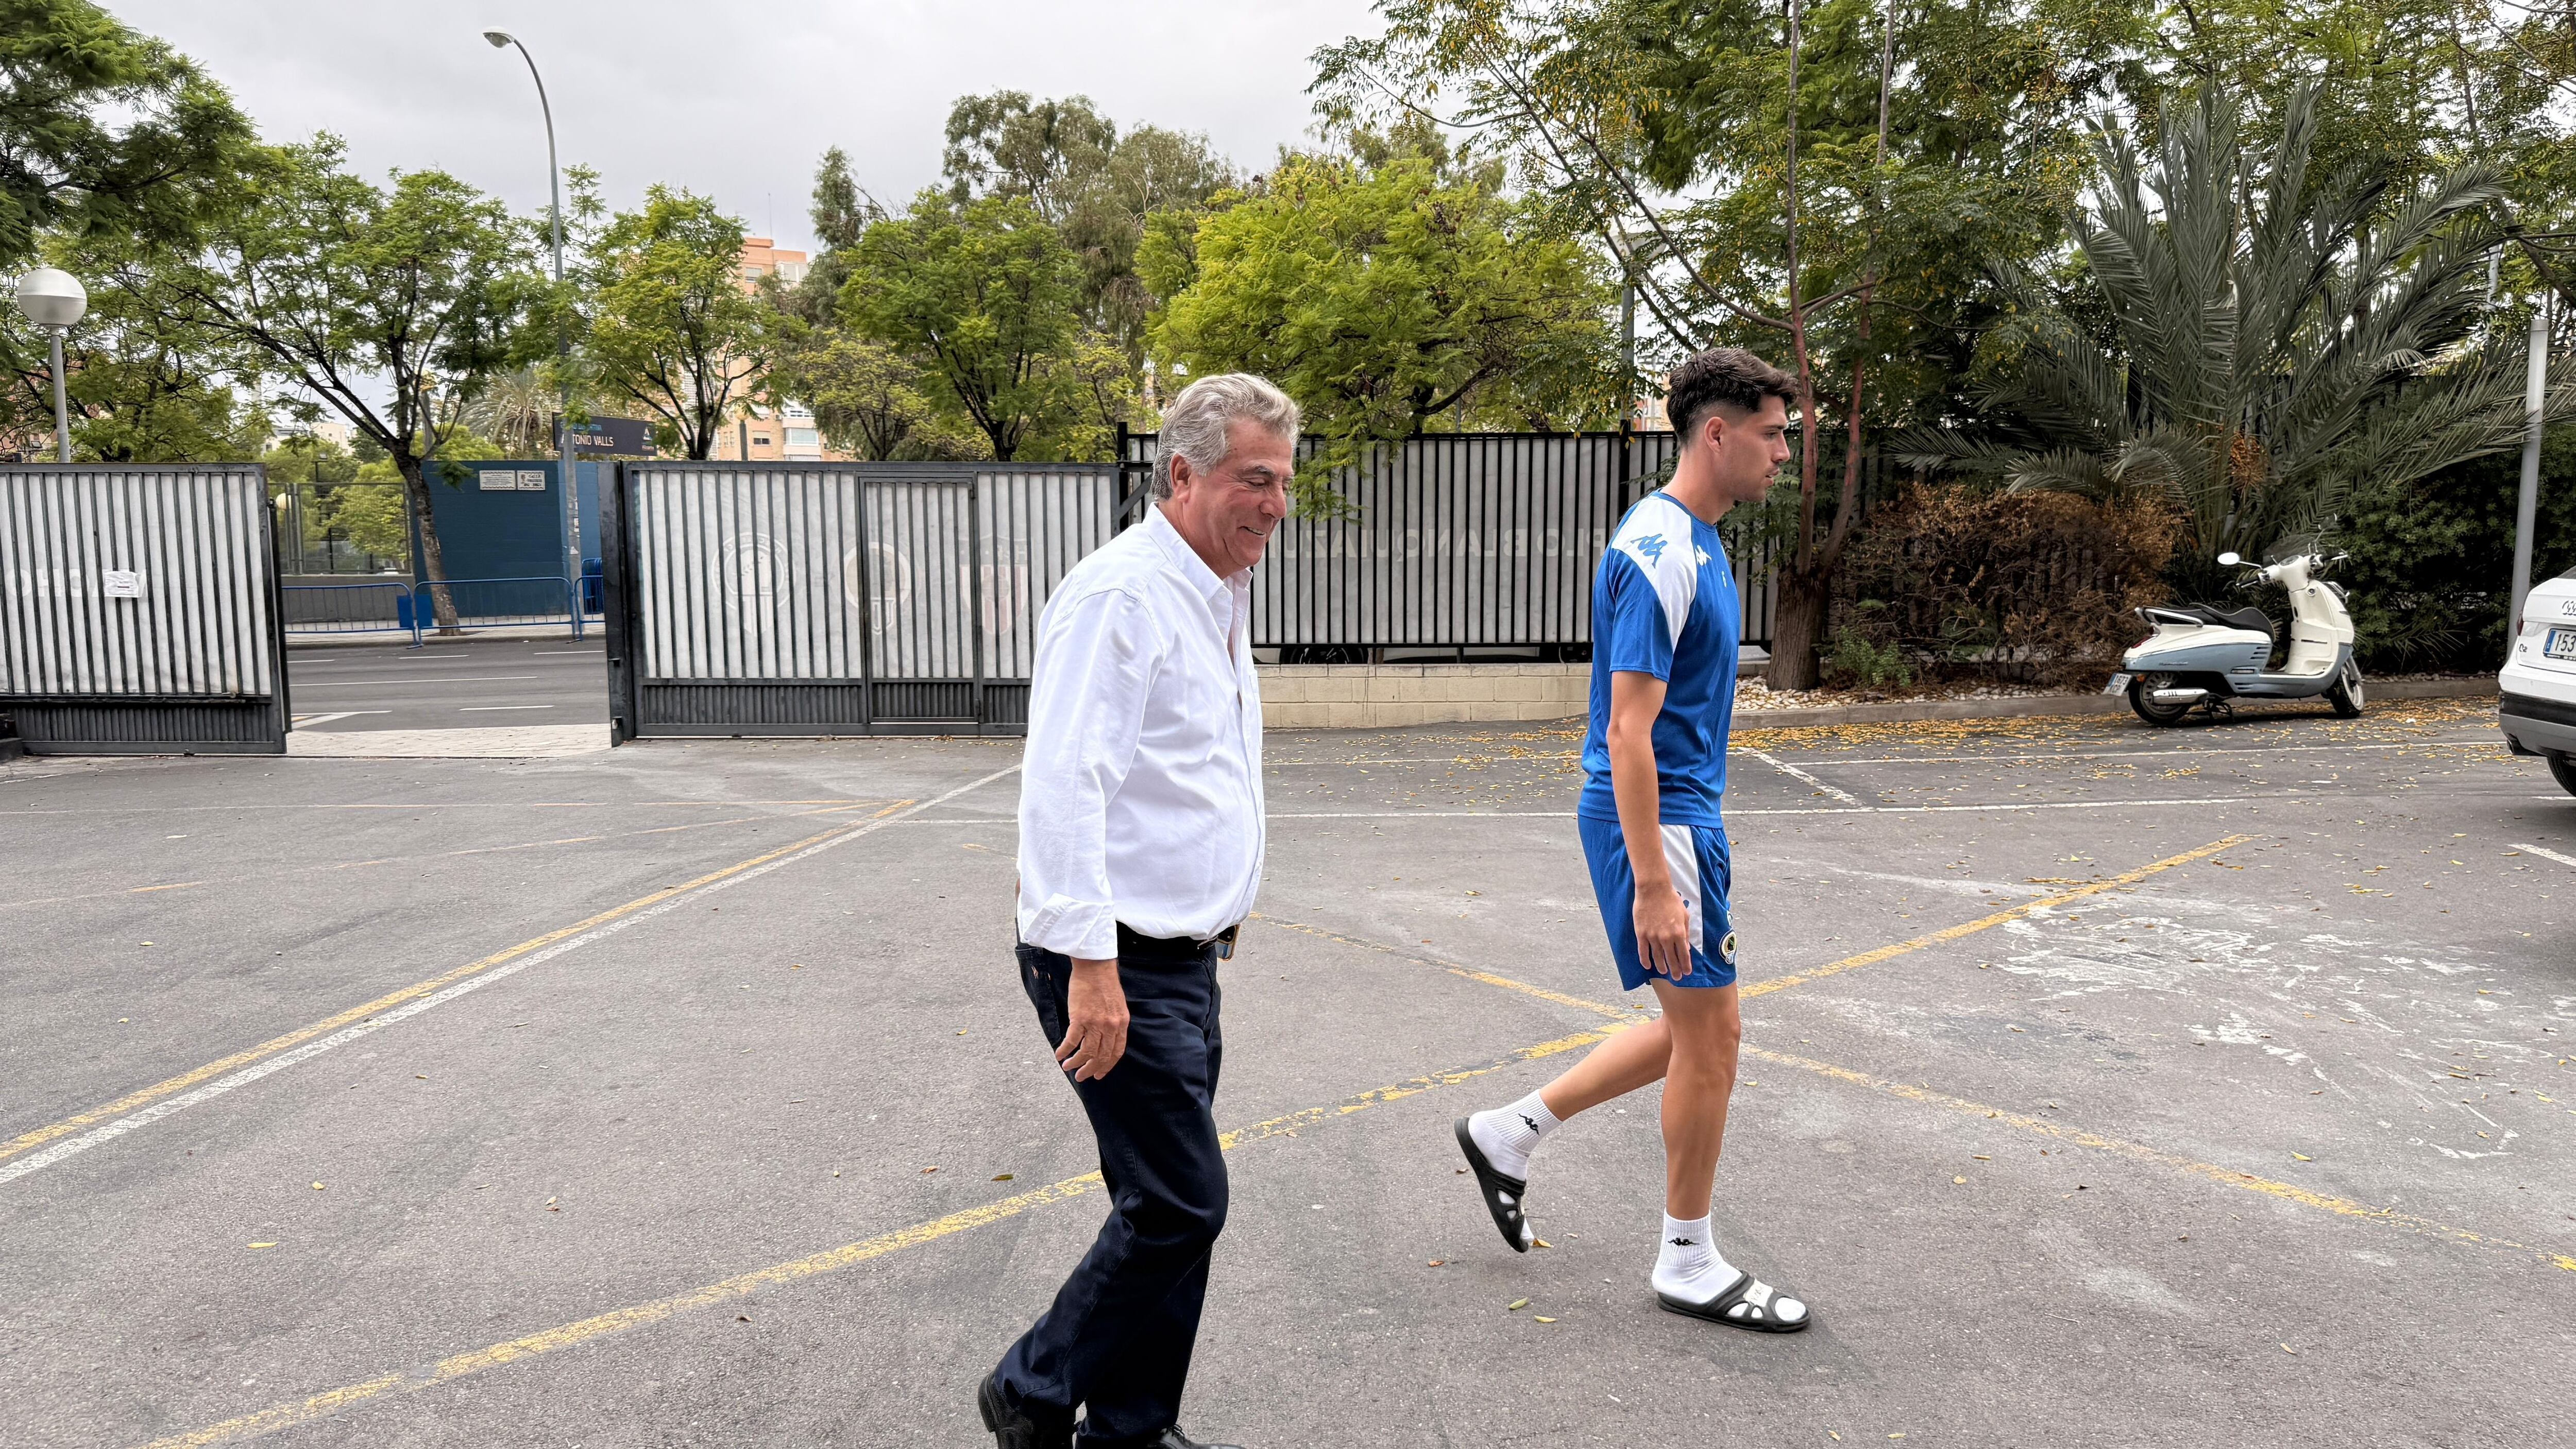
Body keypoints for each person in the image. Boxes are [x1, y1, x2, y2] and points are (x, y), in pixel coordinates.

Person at [1452, 347, 1814, 1333]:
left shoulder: (1696, 538)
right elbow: (1627, 729)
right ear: (1717, 432)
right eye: (1775, 433)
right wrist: (1657, 879)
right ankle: (1687, 1260)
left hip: (1678, 818)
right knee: (1715, 1036)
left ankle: (1508, 1131)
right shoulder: (1661, 550)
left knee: (1691, 1029)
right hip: (1661, 824)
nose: (1786, 451)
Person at [980, 373, 1300, 1449]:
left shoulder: (1211, 592)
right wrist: (1092, 965)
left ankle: (1129, 1427)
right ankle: (1029, 1392)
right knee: (1180, 1203)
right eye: (1253, 479)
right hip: (1116, 960)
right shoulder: (1123, 596)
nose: (1273, 504)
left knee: (1162, 1209)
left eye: (1283, 482)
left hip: (1183, 957)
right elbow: (1064, 785)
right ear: (1183, 474)